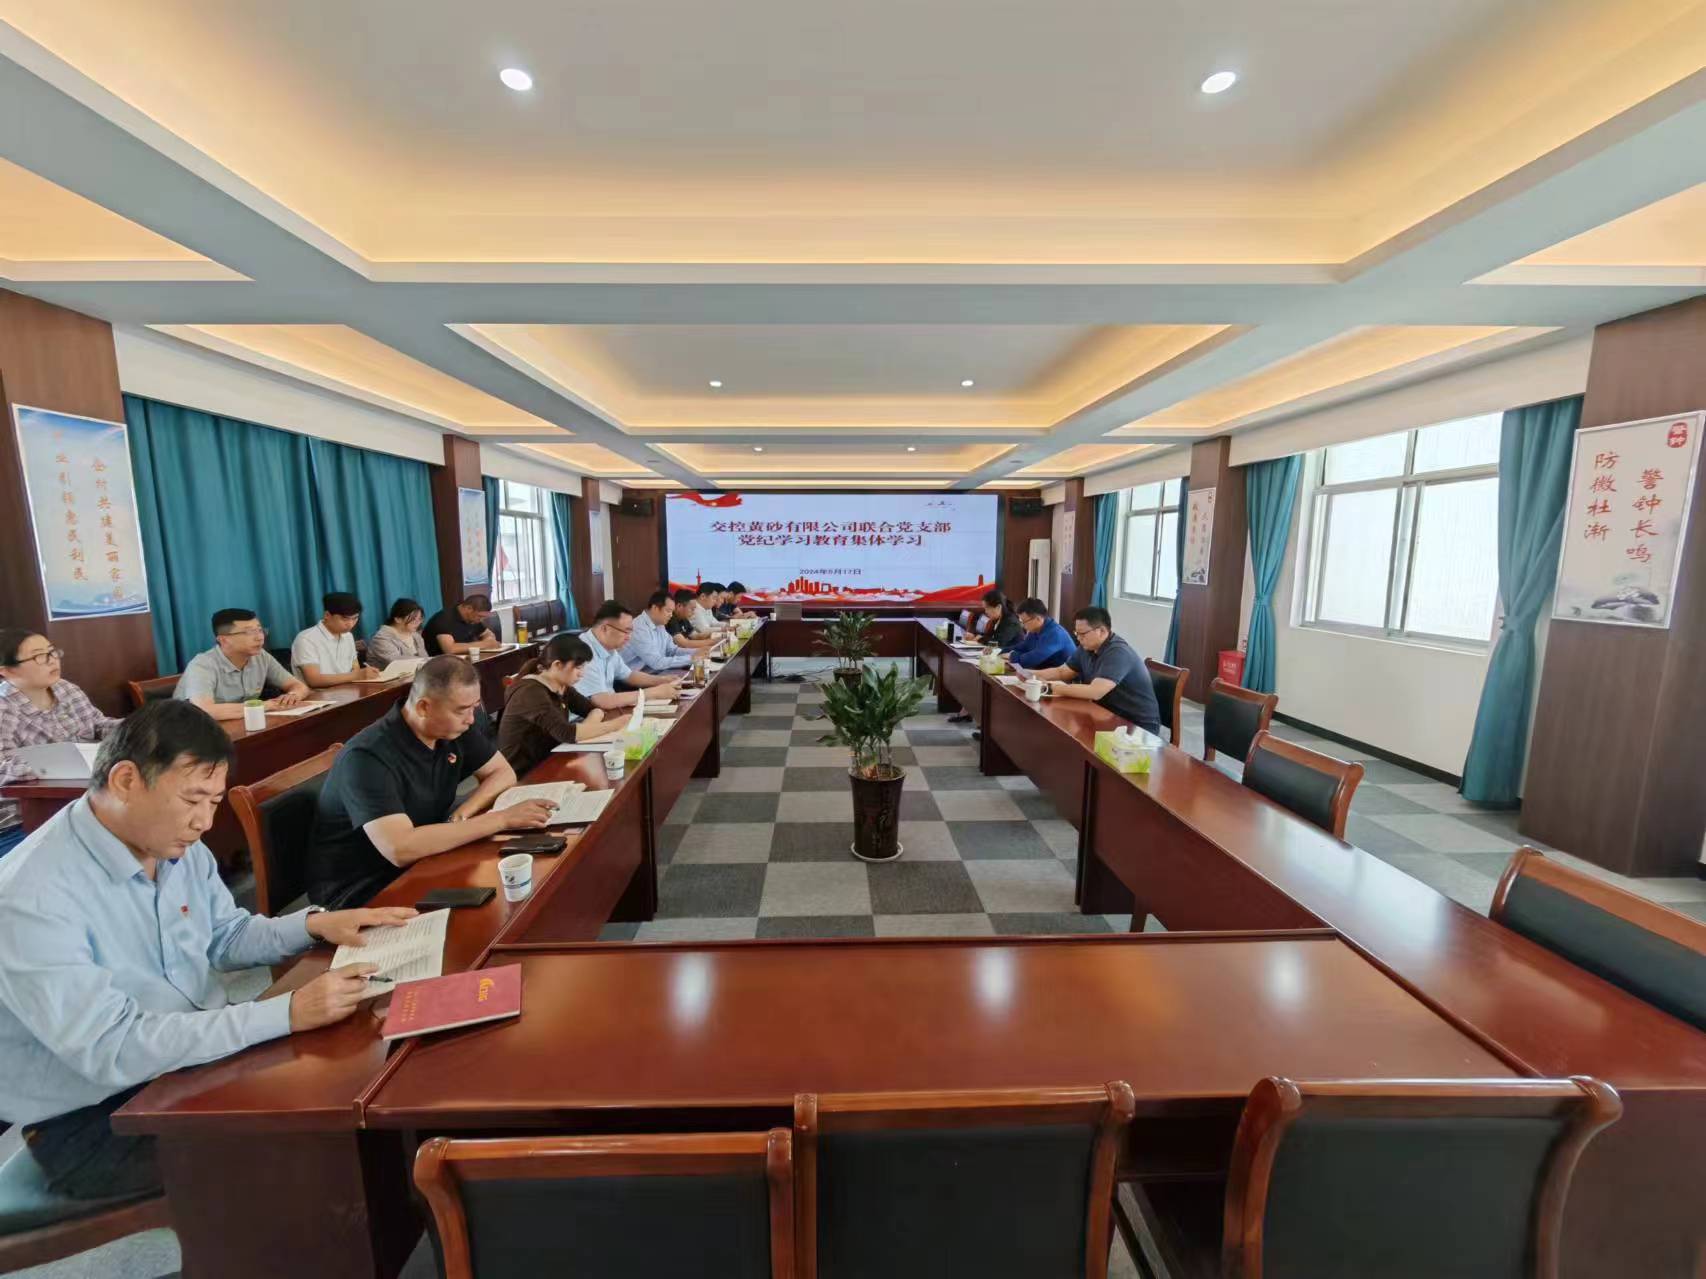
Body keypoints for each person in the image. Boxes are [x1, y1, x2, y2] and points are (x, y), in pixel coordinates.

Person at [0, 700, 415, 1201]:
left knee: (357, 1073)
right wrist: (285, 1013)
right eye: (192, 799)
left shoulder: (172, 843)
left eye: (214, 802)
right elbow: (113, 1049)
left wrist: (315, 924)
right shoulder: (31, 896)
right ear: (126, 780)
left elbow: (224, 937)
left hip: (191, 1058)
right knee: (318, 1140)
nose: (204, 822)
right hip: (94, 1119)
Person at [306, 657, 555, 909]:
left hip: (424, 855)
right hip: (363, 888)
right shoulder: (366, 757)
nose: (471, 719)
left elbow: (503, 773)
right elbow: (400, 849)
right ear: (424, 707)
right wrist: (501, 819)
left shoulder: (451, 728)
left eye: (474, 707)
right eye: (462, 710)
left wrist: (463, 813)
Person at [0, 630, 121, 857]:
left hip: (81, 804)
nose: (52, 660)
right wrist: (56, 762)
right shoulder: (3, 709)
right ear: (6, 670)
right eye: (39, 656)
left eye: (52, 652)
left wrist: (138, 727)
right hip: (19, 820)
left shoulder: (66, 689)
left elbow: (98, 725)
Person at [1023, 606, 1161, 735]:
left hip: (1135, 725)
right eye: (1076, 633)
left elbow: (1095, 692)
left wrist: (1051, 688)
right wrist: (1027, 673)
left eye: (1083, 634)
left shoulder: (1118, 652)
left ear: (1102, 631)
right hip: (1105, 713)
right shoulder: (1087, 647)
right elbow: (1062, 672)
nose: (1078, 638)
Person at [497, 635, 623, 776]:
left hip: (552, 759)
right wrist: (616, 724)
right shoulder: (530, 692)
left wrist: (585, 729)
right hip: (525, 773)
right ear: (557, 665)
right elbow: (568, 734)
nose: (582, 674)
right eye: (578, 667)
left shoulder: (561, 686)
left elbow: (594, 709)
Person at [175, 608, 309, 721]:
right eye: (249, 632)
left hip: (240, 724)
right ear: (224, 640)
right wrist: (265, 706)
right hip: (190, 731)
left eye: (260, 630)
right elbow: (205, 710)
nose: (259, 637)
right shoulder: (202, 665)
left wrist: (293, 696)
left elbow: (298, 686)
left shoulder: (261, 656)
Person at [575, 602, 682, 711]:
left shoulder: (609, 646)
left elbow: (628, 675)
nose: (629, 637)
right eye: (625, 631)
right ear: (605, 629)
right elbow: (602, 700)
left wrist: (661, 680)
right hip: (587, 716)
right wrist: (653, 693)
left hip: (609, 710)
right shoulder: (583, 651)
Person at [291, 592, 384, 689]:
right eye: (345, 619)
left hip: (349, 692)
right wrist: (357, 675)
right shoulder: (306, 639)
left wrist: (361, 674)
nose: (350, 624)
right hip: (319, 695)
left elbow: (355, 668)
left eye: (355, 618)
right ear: (327, 615)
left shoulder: (348, 636)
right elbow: (314, 680)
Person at [622, 591, 697, 675]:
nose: (671, 615)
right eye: (668, 611)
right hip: (634, 678)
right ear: (655, 608)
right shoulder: (639, 628)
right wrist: (691, 658)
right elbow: (657, 662)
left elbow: (672, 650)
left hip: (654, 672)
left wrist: (697, 652)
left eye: (672, 612)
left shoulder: (660, 625)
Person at [1004, 599, 1076, 671]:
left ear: (1038, 619)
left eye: (1024, 622)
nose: (1022, 625)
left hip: (1063, 676)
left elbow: (1033, 658)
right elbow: (1023, 647)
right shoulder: (1035, 630)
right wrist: (1000, 652)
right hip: (1045, 672)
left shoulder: (1055, 633)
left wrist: (1011, 656)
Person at [422, 594, 497, 656]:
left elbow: (488, 633)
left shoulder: (473, 618)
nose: (481, 620)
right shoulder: (444, 619)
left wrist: (489, 639)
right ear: (469, 608)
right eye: (480, 616)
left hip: (463, 659)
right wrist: (484, 644)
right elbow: (450, 649)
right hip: (438, 663)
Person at [366, 598, 430, 669]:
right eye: (413, 619)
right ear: (398, 619)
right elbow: (397, 662)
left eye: (420, 619)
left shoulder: (416, 636)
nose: (418, 623)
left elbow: (425, 661)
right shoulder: (381, 638)